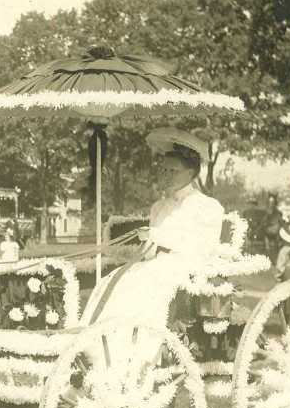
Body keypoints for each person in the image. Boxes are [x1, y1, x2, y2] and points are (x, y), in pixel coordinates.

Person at [81, 127, 224, 327]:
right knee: (110, 282)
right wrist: (144, 248)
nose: (165, 175)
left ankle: (141, 348)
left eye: (172, 171)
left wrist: (157, 236)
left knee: (140, 287)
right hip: (156, 265)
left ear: (190, 172)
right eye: (163, 169)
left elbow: (203, 249)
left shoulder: (208, 206)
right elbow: (150, 251)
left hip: (187, 270)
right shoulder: (159, 207)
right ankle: (96, 341)